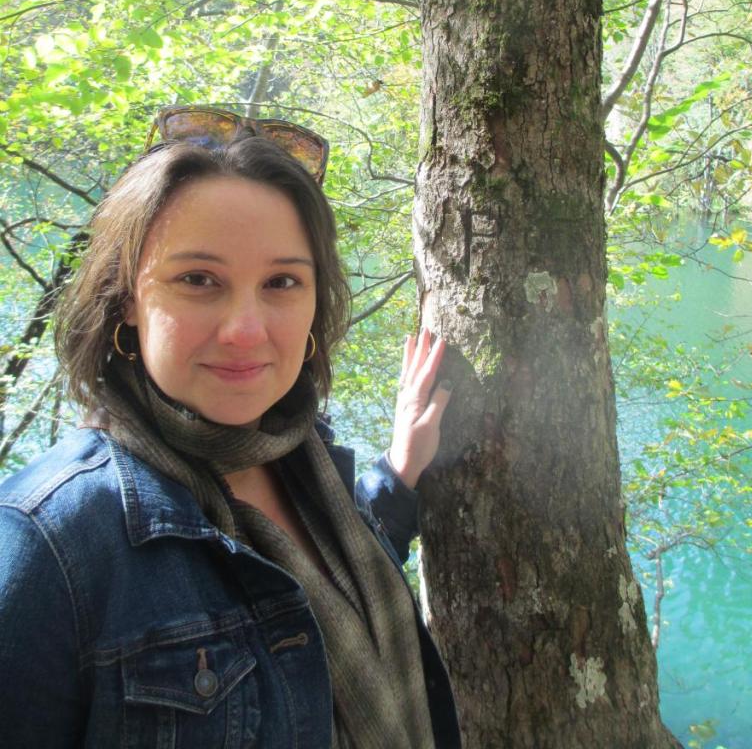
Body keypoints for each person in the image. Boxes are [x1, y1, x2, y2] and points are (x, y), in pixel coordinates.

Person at [0, 106, 460, 749]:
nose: (246, 329)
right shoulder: (47, 545)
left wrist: (399, 472)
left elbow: (331, 574)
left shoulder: (306, 459)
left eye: (281, 281)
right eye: (198, 279)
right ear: (127, 296)